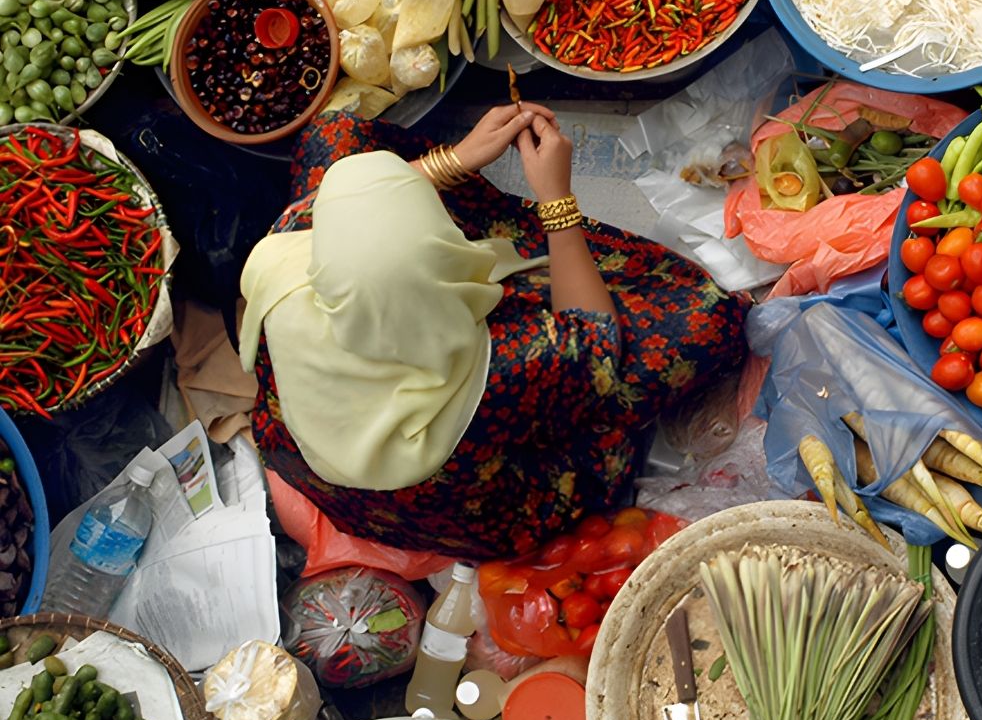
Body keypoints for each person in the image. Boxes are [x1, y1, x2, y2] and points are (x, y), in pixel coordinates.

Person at [240, 105, 749, 560]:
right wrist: (555, 199)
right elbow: (592, 343)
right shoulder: (501, 369)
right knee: (704, 321)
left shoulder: (285, 258)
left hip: (327, 448)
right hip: (477, 495)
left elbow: (357, 213)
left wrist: (456, 160)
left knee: (336, 135)